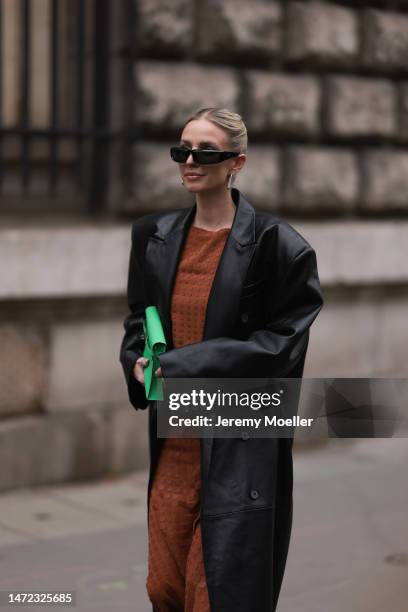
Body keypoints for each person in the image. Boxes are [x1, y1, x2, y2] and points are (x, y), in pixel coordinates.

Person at [119, 107, 324, 611]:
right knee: (163, 588)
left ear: (237, 162)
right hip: (176, 441)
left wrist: (186, 365)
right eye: (181, 150)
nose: (189, 160)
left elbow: (282, 346)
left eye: (205, 152)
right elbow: (137, 320)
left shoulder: (280, 246)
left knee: (217, 593)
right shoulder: (154, 236)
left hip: (240, 441)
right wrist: (137, 363)